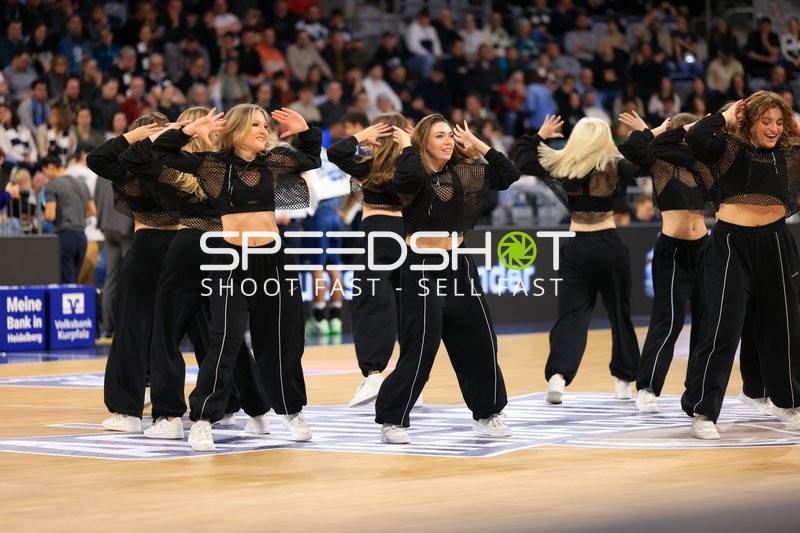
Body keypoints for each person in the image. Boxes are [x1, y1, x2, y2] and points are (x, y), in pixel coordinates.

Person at [146, 105, 321, 451]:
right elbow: (160, 153)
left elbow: (311, 159)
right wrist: (188, 131)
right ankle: (202, 420)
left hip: (273, 260)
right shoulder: (213, 166)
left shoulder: (273, 162)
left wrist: (305, 131)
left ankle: (292, 411)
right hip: (231, 259)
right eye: (255, 124)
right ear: (237, 130)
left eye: (265, 125)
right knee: (224, 339)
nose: (263, 130)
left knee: (283, 338)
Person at [117, 107, 272, 440]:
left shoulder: (179, 169)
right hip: (226, 249)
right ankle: (257, 410)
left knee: (167, 334)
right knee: (226, 335)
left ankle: (169, 416)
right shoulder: (234, 169)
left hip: (187, 247)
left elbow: (132, 158)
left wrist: (179, 133)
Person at [374, 114, 520, 444]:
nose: (448, 141)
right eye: (439, 136)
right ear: (423, 142)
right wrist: (408, 147)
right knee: (421, 347)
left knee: (481, 341)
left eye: (449, 135)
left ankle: (488, 414)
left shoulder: (462, 174)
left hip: (458, 263)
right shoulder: (410, 174)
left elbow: (508, 174)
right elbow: (410, 177)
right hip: (421, 265)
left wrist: (478, 144)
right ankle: (393, 420)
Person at [682, 91, 800, 438]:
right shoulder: (729, 150)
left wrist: (794, 127)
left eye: (779, 122)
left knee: (785, 327)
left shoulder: (788, 155)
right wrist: (726, 117)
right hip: (731, 245)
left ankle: (788, 402)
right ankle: (703, 411)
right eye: (766, 121)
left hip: (776, 242)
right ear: (749, 121)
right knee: (722, 327)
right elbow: (696, 137)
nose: (773, 128)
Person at [513, 115, 643, 404]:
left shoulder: (562, 165)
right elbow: (645, 161)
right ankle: (624, 381)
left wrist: (539, 135)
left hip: (576, 247)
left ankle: (557, 377)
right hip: (609, 246)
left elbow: (523, 160)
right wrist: (644, 133)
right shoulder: (615, 166)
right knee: (619, 314)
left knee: (572, 315)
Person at [87, 113, 181, 432]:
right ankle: (225, 405)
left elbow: (96, 158)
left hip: (146, 248)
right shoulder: (180, 165)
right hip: (183, 248)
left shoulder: (129, 168)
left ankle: (127, 412)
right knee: (202, 330)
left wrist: (130, 139)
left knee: (131, 331)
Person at [617, 111, 711, 412]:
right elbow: (629, 149)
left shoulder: (702, 166)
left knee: (706, 323)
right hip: (673, 252)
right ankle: (647, 386)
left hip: (704, 249)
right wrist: (655, 130)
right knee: (668, 320)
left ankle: (696, 393)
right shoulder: (661, 163)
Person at [328, 112, 420, 407]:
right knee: (409, 307)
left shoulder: (367, 165)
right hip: (408, 236)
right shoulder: (413, 164)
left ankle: (374, 374)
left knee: (371, 303)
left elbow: (335, 152)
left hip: (377, 233)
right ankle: (410, 379)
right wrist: (411, 145)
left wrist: (362, 136)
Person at [42, 152, 95, 283]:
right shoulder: (81, 184)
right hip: (82, 238)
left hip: (64, 237)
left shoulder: (51, 186)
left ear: (50, 166)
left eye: (44, 172)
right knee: (74, 281)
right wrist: (76, 214)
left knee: (66, 282)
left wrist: (44, 215)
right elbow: (92, 211)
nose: (45, 176)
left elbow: (50, 215)